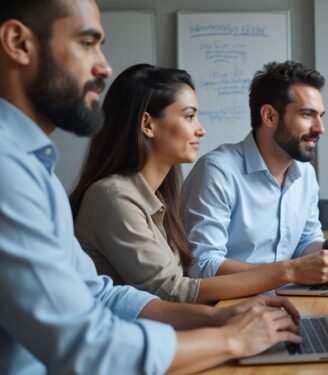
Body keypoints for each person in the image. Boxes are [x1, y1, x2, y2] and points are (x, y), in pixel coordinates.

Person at [0, 1, 302, 373]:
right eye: (86, 42)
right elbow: (86, 348)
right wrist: (232, 338)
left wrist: (219, 320)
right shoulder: (11, 171)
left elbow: (101, 294)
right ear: (18, 42)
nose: (104, 67)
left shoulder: (34, 168)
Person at [70, 64, 303, 303]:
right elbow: (172, 291)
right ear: (148, 124)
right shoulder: (112, 197)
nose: (201, 130)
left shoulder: (157, 196)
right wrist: (288, 273)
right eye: (189, 116)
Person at [181, 61, 328, 286]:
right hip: (230, 306)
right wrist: (289, 272)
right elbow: (203, 265)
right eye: (308, 115)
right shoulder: (217, 172)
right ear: (269, 116)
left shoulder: (305, 173)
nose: (320, 128)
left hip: (284, 297)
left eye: (321, 116)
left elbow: (305, 243)